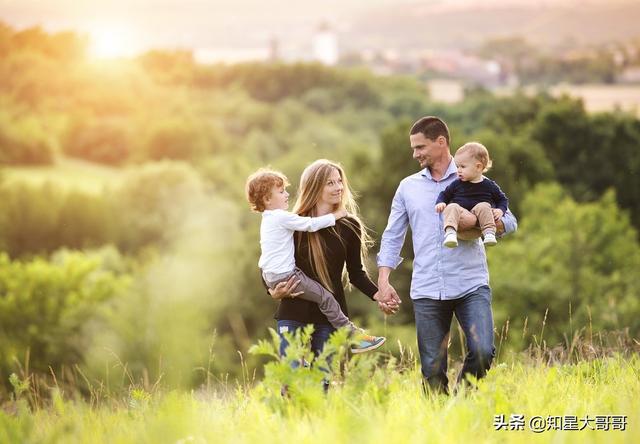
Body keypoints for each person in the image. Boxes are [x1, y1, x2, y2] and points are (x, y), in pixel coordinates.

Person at [376, 116, 518, 395]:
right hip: (427, 287)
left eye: (420, 147)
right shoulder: (408, 187)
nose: (415, 154)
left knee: (482, 351)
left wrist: (485, 223)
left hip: (470, 283)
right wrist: (383, 280)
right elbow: (393, 234)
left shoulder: (477, 178)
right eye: (413, 148)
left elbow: (510, 221)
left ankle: (461, 403)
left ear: (441, 142)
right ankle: (440, 425)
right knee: (431, 368)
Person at [246, 167, 385, 354]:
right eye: (330, 182)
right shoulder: (294, 222)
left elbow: (356, 273)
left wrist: (379, 295)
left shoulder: (349, 225)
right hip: (293, 314)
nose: (339, 187)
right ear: (315, 187)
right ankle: (354, 336)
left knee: (323, 381)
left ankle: (354, 336)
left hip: (328, 320)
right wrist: (272, 291)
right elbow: (270, 260)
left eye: (339, 181)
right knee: (292, 378)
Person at [435, 142, 509, 248]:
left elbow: (502, 199)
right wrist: (441, 202)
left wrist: (500, 210)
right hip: (462, 219)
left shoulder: (489, 185)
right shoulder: (457, 183)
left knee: (484, 205)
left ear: (478, 167)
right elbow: (445, 194)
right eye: (457, 166)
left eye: (463, 167)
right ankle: (450, 232)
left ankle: (489, 233)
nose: (458, 170)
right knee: (452, 206)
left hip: (478, 225)